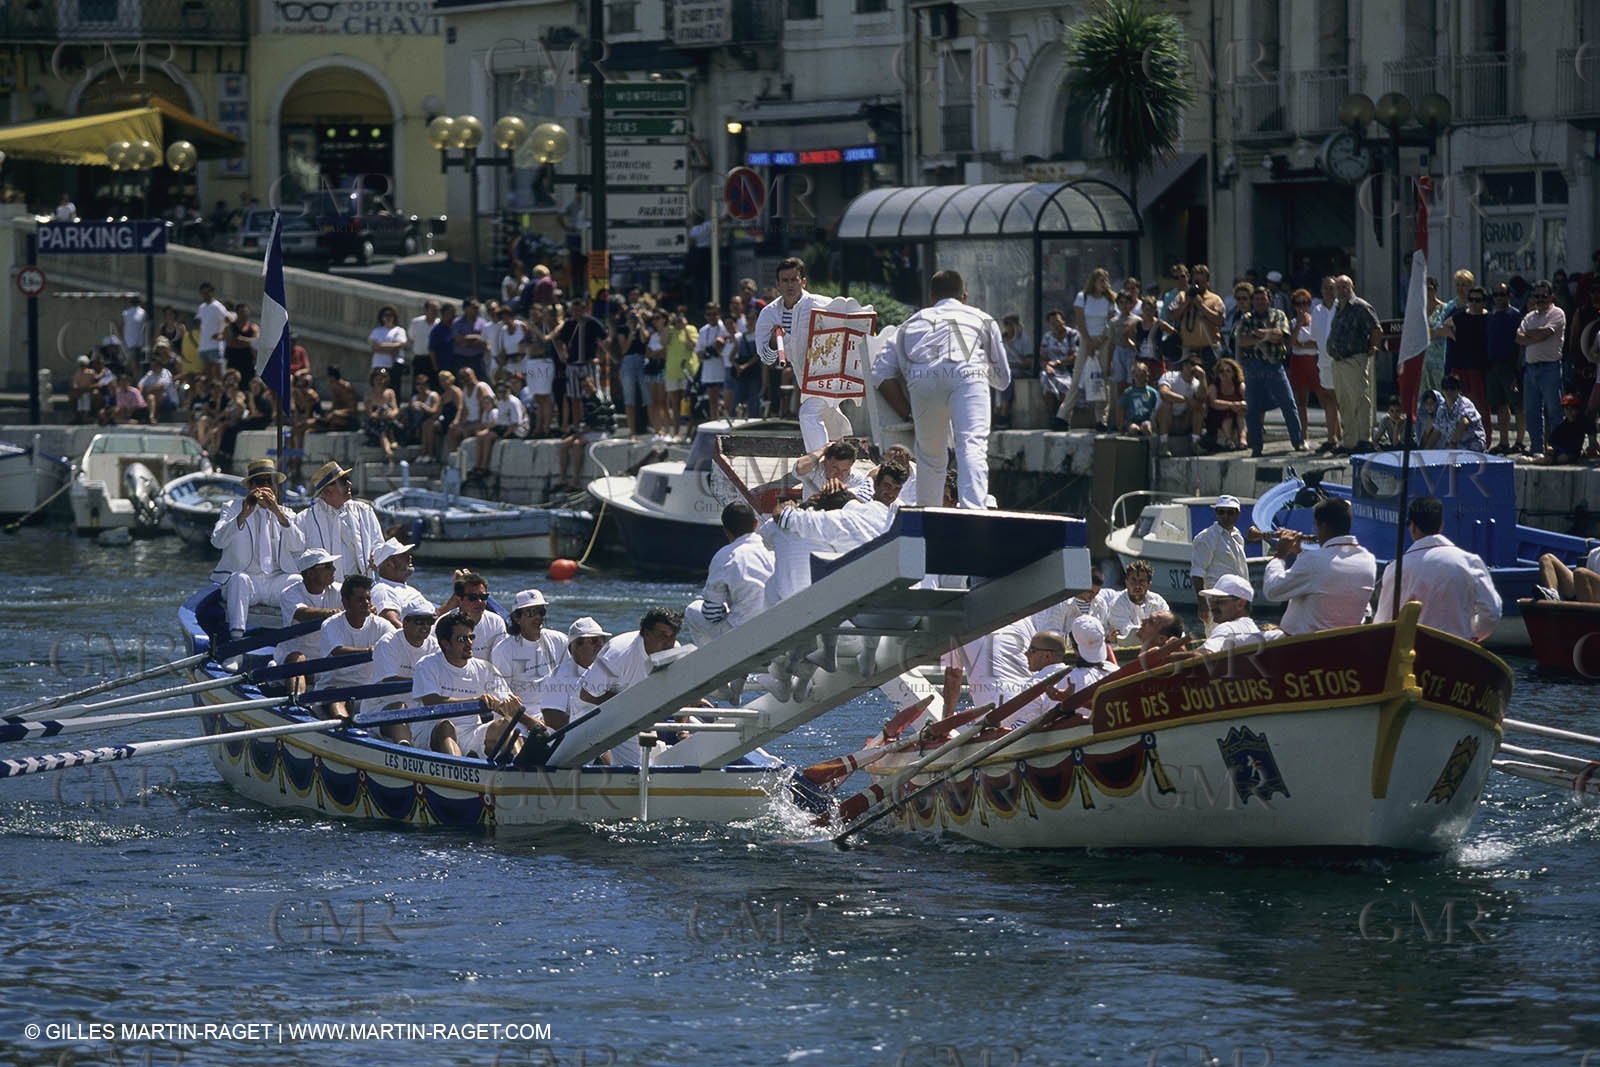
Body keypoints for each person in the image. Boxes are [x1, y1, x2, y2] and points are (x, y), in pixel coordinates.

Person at [871, 269, 1009, 509]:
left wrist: (906, 412)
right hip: (967, 375)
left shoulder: (910, 324)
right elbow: (1003, 379)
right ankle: (974, 511)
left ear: (931, 297)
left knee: (930, 456)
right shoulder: (982, 319)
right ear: (964, 296)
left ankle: (928, 515)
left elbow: (880, 372)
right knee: (971, 444)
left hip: (922, 380)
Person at [1373, 496, 1503, 642]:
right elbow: (1492, 612)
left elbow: (1384, 621)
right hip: (1458, 650)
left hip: (1414, 653)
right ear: (1441, 526)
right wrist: (1472, 634)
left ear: (1413, 527)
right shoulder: (1470, 562)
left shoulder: (1396, 569)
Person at [755, 258, 847, 451]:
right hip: (802, 376)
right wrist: (773, 342)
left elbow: (848, 330)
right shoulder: (768, 314)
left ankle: (820, 463)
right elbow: (766, 358)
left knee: (808, 414)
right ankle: (841, 452)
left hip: (828, 374)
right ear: (778, 284)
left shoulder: (822, 304)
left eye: (794, 280)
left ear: (803, 282)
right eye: (785, 280)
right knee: (829, 418)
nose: (790, 285)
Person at [578, 607, 685, 764]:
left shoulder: (674, 650)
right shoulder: (618, 654)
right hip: (598, 713)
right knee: (638, 769)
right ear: (646, 633)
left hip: (642, 713)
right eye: (662, 635)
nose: (669, 642)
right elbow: (586, 695)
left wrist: (682, 730)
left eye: (672, 636)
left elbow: (681, 691)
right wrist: (629, 703)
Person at [413, 611, 524, 759]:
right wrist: (475, 701)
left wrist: (514, 709)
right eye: (462, 639)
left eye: (471, 637)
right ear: (445, 643)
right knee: (446, 726)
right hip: (432, 732)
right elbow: (431, 702)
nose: (469, 643)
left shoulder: (484, 668)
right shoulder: (427, 665)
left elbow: (507, 703)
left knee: (504, 725)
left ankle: (520, 768)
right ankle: (459, 768)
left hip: (471, 732)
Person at [210, 459, 298, 640]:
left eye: (269, 482)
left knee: (298, 581)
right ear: (249, 486)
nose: (265, 487)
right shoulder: (232, 508)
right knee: (238, 579)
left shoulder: (286, 513)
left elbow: (299, 545)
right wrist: (242, 516)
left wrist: (277, 512)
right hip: (247, 581)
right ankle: (237, 644)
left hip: (275, 582)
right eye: (259, 482)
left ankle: (293, 640)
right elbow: (217, 541)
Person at [1261, 498, 1376, 634]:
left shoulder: (1312, 561)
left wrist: (1280, 555)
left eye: (1316, 526)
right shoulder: (1368, 560)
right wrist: (1300, 553)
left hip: (1301, 646)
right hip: (1344, 644)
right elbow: (1325, 577)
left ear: (1324, 526)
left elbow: (1272, 591)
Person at [685, 502, 775, 647]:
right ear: (755, 524)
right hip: (776, 629)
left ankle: (714, 663)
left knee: (692, 610)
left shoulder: (724, 556)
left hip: (742, 634)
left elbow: (712, 614)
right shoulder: (773, 549)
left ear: (726, 531)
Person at [283, 461, 384, 583]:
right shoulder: (303, 520)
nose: (349, 484)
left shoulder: (365, 511)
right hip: (325, 591)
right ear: (327, 491)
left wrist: (377, 555)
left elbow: (378, 544)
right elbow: (297, 557)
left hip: (362, 587)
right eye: (343, 481)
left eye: (348, 479)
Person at [1234, 285, 1305, 456]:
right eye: (1256, 299)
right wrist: (1268, 335)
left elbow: (1280, 335)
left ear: (1269, 299)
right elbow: (1241, 340)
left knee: (1288, 403)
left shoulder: (1278, 315)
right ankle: (1256, 447)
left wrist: (1259, 334)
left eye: (1263, 299)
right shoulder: (1246, 317)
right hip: (1252, 367)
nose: (1259, 302)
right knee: (1253, 409)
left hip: (1274, 365)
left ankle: (1298, 441)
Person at [316, 575, 395, 719]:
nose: (366, 603)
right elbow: (338, 651)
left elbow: (397, 646)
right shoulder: (331, 624)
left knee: (397, 705)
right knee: (337, 701)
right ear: (345, 602)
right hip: (335, 688)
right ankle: (344, 725)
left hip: (367, 691)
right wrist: (368, 651)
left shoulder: (382, 625)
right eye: (360, 600)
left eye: (368, 599)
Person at [274, 547, 344, 695]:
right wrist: (329, 613)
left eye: (332, 565)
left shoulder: (338, 591)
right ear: (310, 573)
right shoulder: (290, 594)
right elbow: (301, 613)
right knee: (297, 658)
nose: (334, 569)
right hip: (293, 656)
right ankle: (297, 701)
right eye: (327, 566)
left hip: (323, 657)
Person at [1326, 274, 1383, 453]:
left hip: (1354, 359)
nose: (1342, 290)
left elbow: (1376, 328)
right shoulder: (1338, 308)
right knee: (1344, 403)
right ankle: (1349, 441)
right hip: (1338, 361)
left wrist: (1373, 348)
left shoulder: (1360, 306)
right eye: (1338, 287)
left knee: (1360, 400)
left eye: (1345, 286)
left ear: (1352, 288)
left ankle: (1363, 440)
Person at [365, 607, 440, 742]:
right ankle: (405, 748)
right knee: (399, 708)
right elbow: (390, 680)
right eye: (419, 622)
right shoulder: (387, 643)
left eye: (429, 622)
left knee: (445, 726)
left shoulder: (434, 646)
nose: (425, 627)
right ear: (405, 623)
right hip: (380, 708)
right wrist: (425, 682)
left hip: (418, 709)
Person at [490, 589, 569, 712]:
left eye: (541, 612)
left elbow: (570, 678)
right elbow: (502, 696)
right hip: (521, 716)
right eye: (531, 613)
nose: (538, 617)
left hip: (555, 710)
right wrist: (530, 722)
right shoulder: (503, 651)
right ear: (517, 618)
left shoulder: (559, 640)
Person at [529, 616, 612, 731]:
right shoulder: (558, 677)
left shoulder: (607, 670)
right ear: (576, 646)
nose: (600, 645)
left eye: (602, 640)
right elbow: (553, 719)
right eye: (594, 641)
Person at [1517, 279, 1567, 457]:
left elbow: (1548, 333)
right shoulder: (1529, 316)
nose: (1540, 299)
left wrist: (1531, 335)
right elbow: (1518, 337)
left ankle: (1558, 448)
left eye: (1543, 296)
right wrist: (1537, 335)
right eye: (1536, 296)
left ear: (1551, 296)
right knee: (1532, 411)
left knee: (1554, 411)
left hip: (1550, 368)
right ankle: (1536, 448)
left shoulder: (1557, 313)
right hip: (1530, 369)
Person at [1190, 495, 1258, 626]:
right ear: (1216, 513)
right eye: (1221, 511)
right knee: (1218, 640)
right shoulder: (1206, 537)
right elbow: (1197, 572)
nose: (1225, 516)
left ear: (1238, 514)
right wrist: (1202, 604)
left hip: (1238, 603)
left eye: (1230, 512)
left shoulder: (1237, 536)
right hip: (1217, 603)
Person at [1000, 629, 1070, 729]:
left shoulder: (1034, 685)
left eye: (1032, 650)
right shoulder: (1074, 675)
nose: (1026, 654)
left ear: (1047, 656)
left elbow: (1023, 728)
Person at [1485, 284, 1526, 454]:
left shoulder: (1515, 315)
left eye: (1502, 294)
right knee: (1501, 405)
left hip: (1510, 365)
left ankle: (1520, 441)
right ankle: (1503, 441)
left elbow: (1520, 343)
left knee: (1517, 404)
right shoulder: (1491, 316)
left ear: (1509, 295)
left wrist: (1518, 368)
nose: (1499, 298)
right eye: (1495, 294)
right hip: (1494, 365)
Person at [437, 570, 508, 660]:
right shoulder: (444, 623)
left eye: (483, 597)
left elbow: (501, 658)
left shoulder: (496, 622)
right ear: (459, 599)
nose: (479, 602)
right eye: (472, 598)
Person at [370, 538, 434, 627]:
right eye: (403, 555)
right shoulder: (383, 590)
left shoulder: (410, 589)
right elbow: (392, 623)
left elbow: (435, 617)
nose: (409, 557)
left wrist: (456, 597)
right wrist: (423, 640)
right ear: (389, 564)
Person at [1105, 559, 1171, 643]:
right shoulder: (1116, 604)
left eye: (1141, 581)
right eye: (1133, 580)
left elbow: (1168, 625)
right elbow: (1130, 634)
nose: (1137, 586)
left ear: (1149, 584)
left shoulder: (1159, 601)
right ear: (1126, 582)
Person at [1197, 574, 1262, 653]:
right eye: (1211, 600)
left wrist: (1178, 655)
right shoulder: (1254, 629)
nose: (1212, 607)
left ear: (1240, 604)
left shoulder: (1226, 628)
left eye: (1219, 601)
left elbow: (1202, 655)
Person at [1155, 354, 1206, 455]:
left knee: (1199, 406)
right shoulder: (1169, 376)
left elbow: (1202, 397)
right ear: (1184, 365)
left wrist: (1202, 378)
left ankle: (1195, 442)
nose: (1193, 368)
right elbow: (1164, 393)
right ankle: (1163, 444)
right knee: (1167, 404)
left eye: (1197, 365)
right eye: (1191, 364)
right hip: (1163, 419)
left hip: (1183, 420)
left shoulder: (1196, 383)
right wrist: (1186, 400)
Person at [792, 439, 871, 502]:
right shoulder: (813, 471)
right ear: (825, 461)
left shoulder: (858, 480)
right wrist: (822, 450)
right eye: (835, 468)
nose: (839, 474)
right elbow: (800, 467)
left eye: (845, 470)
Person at [1528, 394, 1587, 465]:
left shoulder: (1582, 423)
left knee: (1562, 458)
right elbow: (1551, 442)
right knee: (1552, 455)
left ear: (1577, 409)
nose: (1569, 411)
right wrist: (1550, 449)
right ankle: (1539, 460)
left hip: (1573, 452)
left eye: (1572, 408)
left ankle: (1545, 460)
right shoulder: (1562, 426)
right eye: (1566, 408)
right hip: (1559, 450)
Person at [1436, 374, 1488, 452]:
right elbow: (1436, 430)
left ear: (1459, 390)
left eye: (1452, 388)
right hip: (1455, 447)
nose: (1449, 391)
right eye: (1446, 388)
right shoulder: (1441, 409)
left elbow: (1464, 422)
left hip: (1473, 445)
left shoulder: (1465, 403)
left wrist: (1453, 443)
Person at [1204, 358, 1247, 450]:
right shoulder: (1214, 386)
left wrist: (1241, 404)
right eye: (1221, 371)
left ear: (1234, 373)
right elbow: (1213, 403)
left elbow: (1249, 400)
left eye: (1228, 371)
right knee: (1227, 416)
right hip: (1218, 415)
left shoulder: (1240, 385)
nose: (1224, 373)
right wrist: (1231, 405)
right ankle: (1228, 440)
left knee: (1241, 412)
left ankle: (1243, 439)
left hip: (1238, 414)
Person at [196, 282, 233, 382]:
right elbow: (200, 323)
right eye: (203, 293)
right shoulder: (202, 307)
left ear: (212, 292)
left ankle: (223, 393)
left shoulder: (217, 306)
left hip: (214, 345)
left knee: (217, 372)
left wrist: (222, 334)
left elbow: (228, 319)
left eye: (208, 292)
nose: (206, 295)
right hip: (204, 345)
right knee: (207, 373)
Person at [1116, 360, 1160, 436]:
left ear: (1146, 375)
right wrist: (1120, 425)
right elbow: (1121, 407)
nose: (1139, 378)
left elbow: (1158, 407)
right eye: (1137, 376)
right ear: (1133, 376)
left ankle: (1147, 445)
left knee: (1146, 427)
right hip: (1131, 421)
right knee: (1134, 429)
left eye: (1142, 375)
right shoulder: (1129, 392)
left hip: (1146, 420)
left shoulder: (1152, 392)